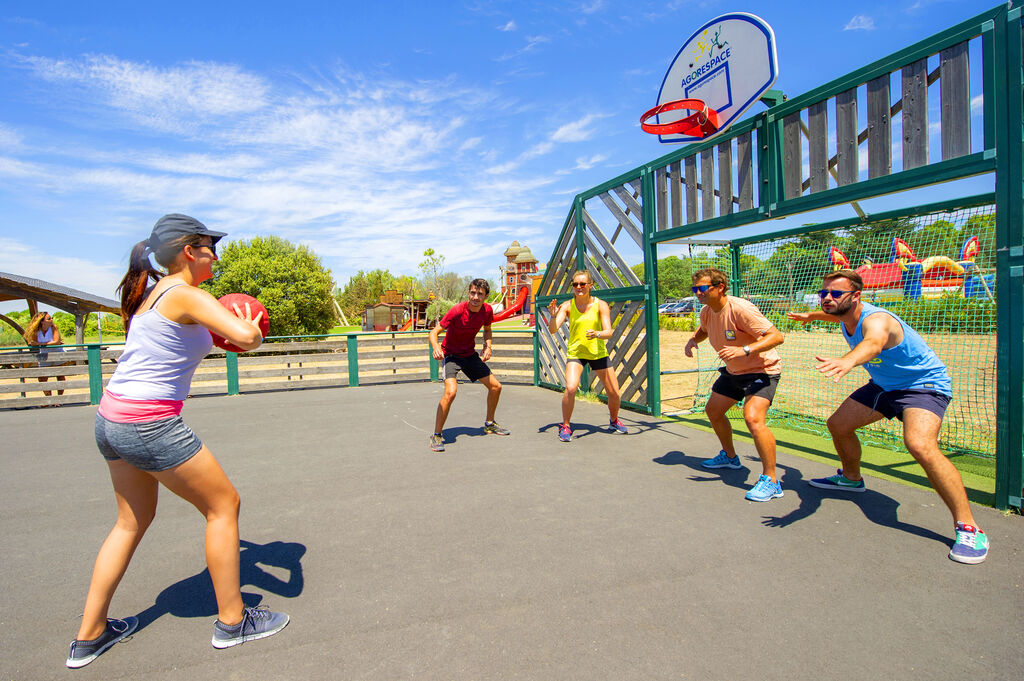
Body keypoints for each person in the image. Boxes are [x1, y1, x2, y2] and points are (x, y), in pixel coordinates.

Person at [66, 214, 289, 669]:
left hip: (111, 419)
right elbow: (249, 337)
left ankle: (89, 635)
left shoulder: (153, 295)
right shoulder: (187, 293)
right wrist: (246, 323)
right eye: (210, 246)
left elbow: (186, 338)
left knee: (130, 522)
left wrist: (221, 331)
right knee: (223, 505)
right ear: (189, 251)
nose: (216, 254)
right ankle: (233, 622)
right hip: (148, 423)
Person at [788, 269, 988, 564]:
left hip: (923, 386)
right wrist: (811, 317)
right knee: (838, 425)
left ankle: (969, 526)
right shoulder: (845, 314)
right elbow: (834, 316)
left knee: (920, 446)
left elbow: (873, 343)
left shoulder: (877, 319)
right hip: (885, 386)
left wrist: (848, 360)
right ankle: (851, 478)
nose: (827, 298)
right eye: (823, 294)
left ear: (857, 296)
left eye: (834, 294)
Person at [683, 268, 786, 502]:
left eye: (702, 288)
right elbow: (705, 330)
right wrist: (692, 340)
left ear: (720, 287)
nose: (697, 293)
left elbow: (776, 336)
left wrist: (744, 349)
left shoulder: (741, 308)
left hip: (761, 371)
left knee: (753, 418)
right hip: (734, 372)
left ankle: (771, 481)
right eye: (694, 289)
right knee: (713, 411)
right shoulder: (707, 311)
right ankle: (730, 457)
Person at [546, 269, 627, 442]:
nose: (579, 287)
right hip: (577, 353)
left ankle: (614, 420)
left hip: (597, 353)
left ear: (590, 285)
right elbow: (553, 330)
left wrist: (597, 334)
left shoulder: (601, 305)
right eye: (575, 284)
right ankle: (566, 425)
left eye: (583, 284)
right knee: (571, 387)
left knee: (614, 393)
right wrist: (553, 316)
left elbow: (609, 332)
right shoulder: (567, 306)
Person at [429, 278, 509, 452]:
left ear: (486, 296)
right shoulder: (457, 311)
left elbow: (487, 330)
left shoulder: (487, 311)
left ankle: (489, 423)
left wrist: (488, 346)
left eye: (480, 294)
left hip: (469, 355)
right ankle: (436, 434)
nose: (475, 297)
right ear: (468, 293)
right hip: (451, 355)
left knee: (496, 387)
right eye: (473, 293)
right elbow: (434, 332)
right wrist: (436, 347)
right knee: (451, 392)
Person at [23, 311, 68, 398]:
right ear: (42, 321)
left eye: (51, 318)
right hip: (44, 355)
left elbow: (56, 341)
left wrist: (40, 343)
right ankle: (48, 398)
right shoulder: (36, 331)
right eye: (49, 318)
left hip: (57, 353)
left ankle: (59, 399)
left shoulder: (53, 328)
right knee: (42, 377)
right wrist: (41, 343)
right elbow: (32, 342)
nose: (51, 320)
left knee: (60, 376)